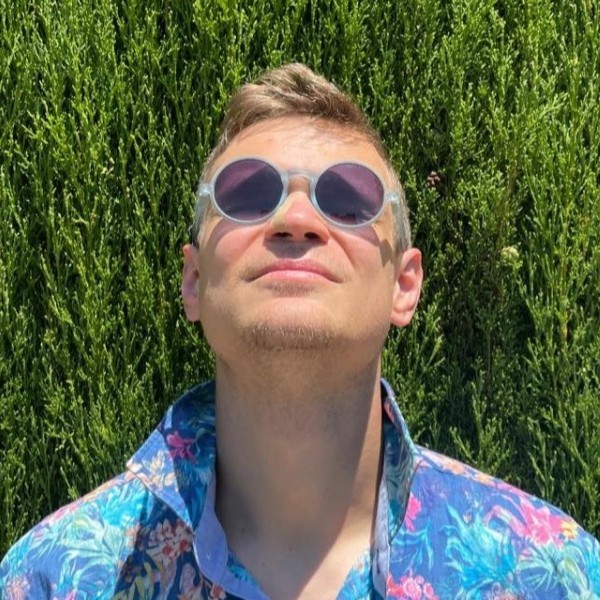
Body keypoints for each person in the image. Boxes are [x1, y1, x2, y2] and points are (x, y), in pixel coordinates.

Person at [1, 63, 599, 600]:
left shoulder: (548, 574)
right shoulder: (53, 579)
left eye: (348, 200)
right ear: (193, 280)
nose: (295, 218)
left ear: (404, 284)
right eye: (247, 195)